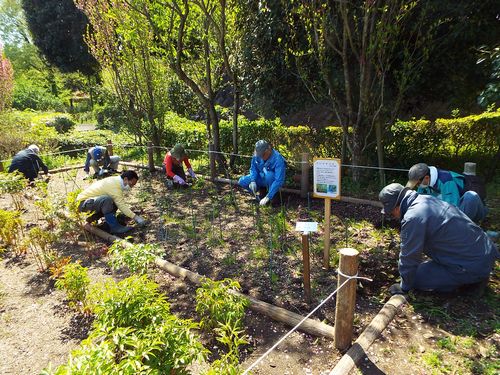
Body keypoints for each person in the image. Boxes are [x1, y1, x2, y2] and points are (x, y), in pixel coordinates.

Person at [379, 183, 498, 295]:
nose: (393, 216)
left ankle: (471, 282)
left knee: (414, 278)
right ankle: (473, 273)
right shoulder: (426, 200)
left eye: (391, 212)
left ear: (397, 207)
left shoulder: (413, 217)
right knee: (422, 270)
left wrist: (404, 287)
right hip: (485, 252)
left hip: (472, 265)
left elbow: (409, 256)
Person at [406, 163, 487, 222]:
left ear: (426, 178)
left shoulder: (446, 180)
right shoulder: (424, 181)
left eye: (417, 184)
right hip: (454, 211)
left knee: (470, 196)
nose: (417, 187)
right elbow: (419, 202)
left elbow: (452, 210)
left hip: (472, 209)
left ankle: (466, 229)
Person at [77, 170, 147, 234]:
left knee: (113, 202)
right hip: (83, 203)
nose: (131, 187)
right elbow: (122, 206)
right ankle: (115, 227)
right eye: (131, 184)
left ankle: (95, 219)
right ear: (125, 179)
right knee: (107, 200)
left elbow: (119, 203)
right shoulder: (114, 186)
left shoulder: (116, 181)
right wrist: (136, 217)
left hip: (90, 202)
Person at [238, 140, 286, 206]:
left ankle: (273, 197)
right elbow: (253, 168)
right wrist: (253, 180)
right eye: (259, 154)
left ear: (268, 150)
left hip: (272, 182)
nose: (260, 157)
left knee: (269, 175)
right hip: (261, 178)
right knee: (242, 181)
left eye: (262, 154)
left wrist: (268, 196)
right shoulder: (257, 155)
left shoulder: (278, 159)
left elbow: (279, 180)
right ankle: (261, 194)